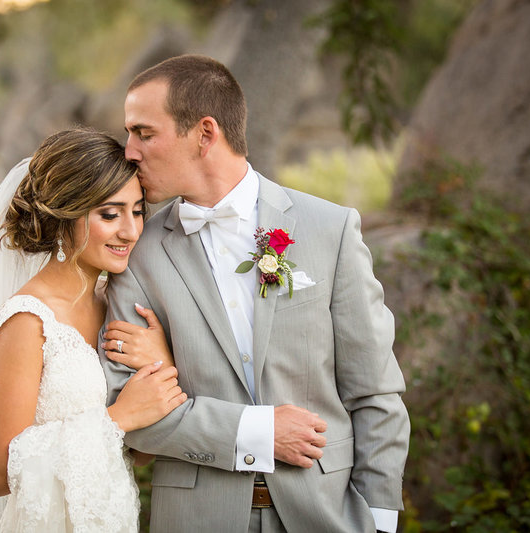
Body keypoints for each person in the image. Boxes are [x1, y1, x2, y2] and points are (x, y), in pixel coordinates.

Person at [99, 54, 410, 533]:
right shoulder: (135, 253)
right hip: (197, 519)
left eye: (144, 132)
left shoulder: (330, 229)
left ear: (205, 134)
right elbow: (130, 415)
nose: (129, 151)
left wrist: (382, 518)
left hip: (331, 516)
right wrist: (258, 433)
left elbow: (374, 391)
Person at [0, 128, 186, 532]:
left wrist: (160, 362)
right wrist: (116, 419)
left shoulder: (116, 304)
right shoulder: (28, 320)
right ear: (65, 213)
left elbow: (137, 454)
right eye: (109, 213)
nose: (131, 231)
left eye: (137, 211)